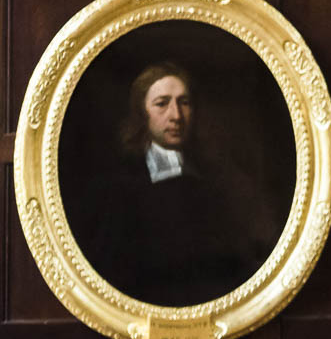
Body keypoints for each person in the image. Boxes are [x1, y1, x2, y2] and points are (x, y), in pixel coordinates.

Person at [83, 62, 281, 306]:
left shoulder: (214, 177)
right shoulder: (119, 183)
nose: (176, 116)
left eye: (184, 102)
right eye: (162, 103)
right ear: (141, 113)